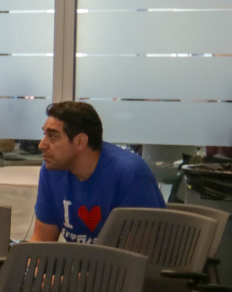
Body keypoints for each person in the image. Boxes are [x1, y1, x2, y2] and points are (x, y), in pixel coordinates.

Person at [31, 101, 165, 243]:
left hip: (132, 257)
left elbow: (138, 252)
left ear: (80, 142)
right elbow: (41, 241)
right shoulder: (52, 170)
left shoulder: (130, 173)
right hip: (87, 258)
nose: (41, 145)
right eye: (44, 134)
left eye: (52, 137)